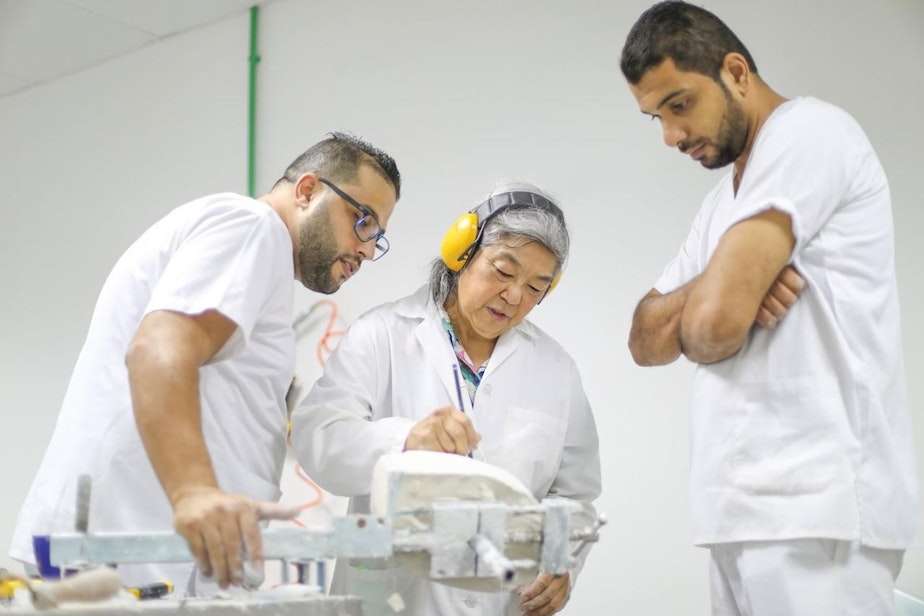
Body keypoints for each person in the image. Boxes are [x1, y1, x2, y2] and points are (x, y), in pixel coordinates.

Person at [620, 2, 918, 614]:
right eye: (655, 117)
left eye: (679, 104)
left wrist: (717, 302)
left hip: (818, 510)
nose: (670, 136)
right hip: (739, 512)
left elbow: (710, 328)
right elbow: (645, 339)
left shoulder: (809, 132)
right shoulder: (722, 203)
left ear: (736, 72)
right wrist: (719, 279)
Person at [10, 132, 401, 596]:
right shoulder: (251, 227)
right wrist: (193, 492)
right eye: (362, 221)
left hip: (140, 553)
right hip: (133, 549)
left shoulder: (259, 257)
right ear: (307, 190)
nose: (365, 249)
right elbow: (158, 348)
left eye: (378, 237)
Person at [291, 181, 601, 616]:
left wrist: (561, 559)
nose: (514, 297)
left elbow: (576, 496)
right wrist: (405, 441)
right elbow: (317, 438)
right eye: (504, 271)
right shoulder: (382, 335)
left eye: (536, 287)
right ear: (463, 253)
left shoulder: (556, 370)